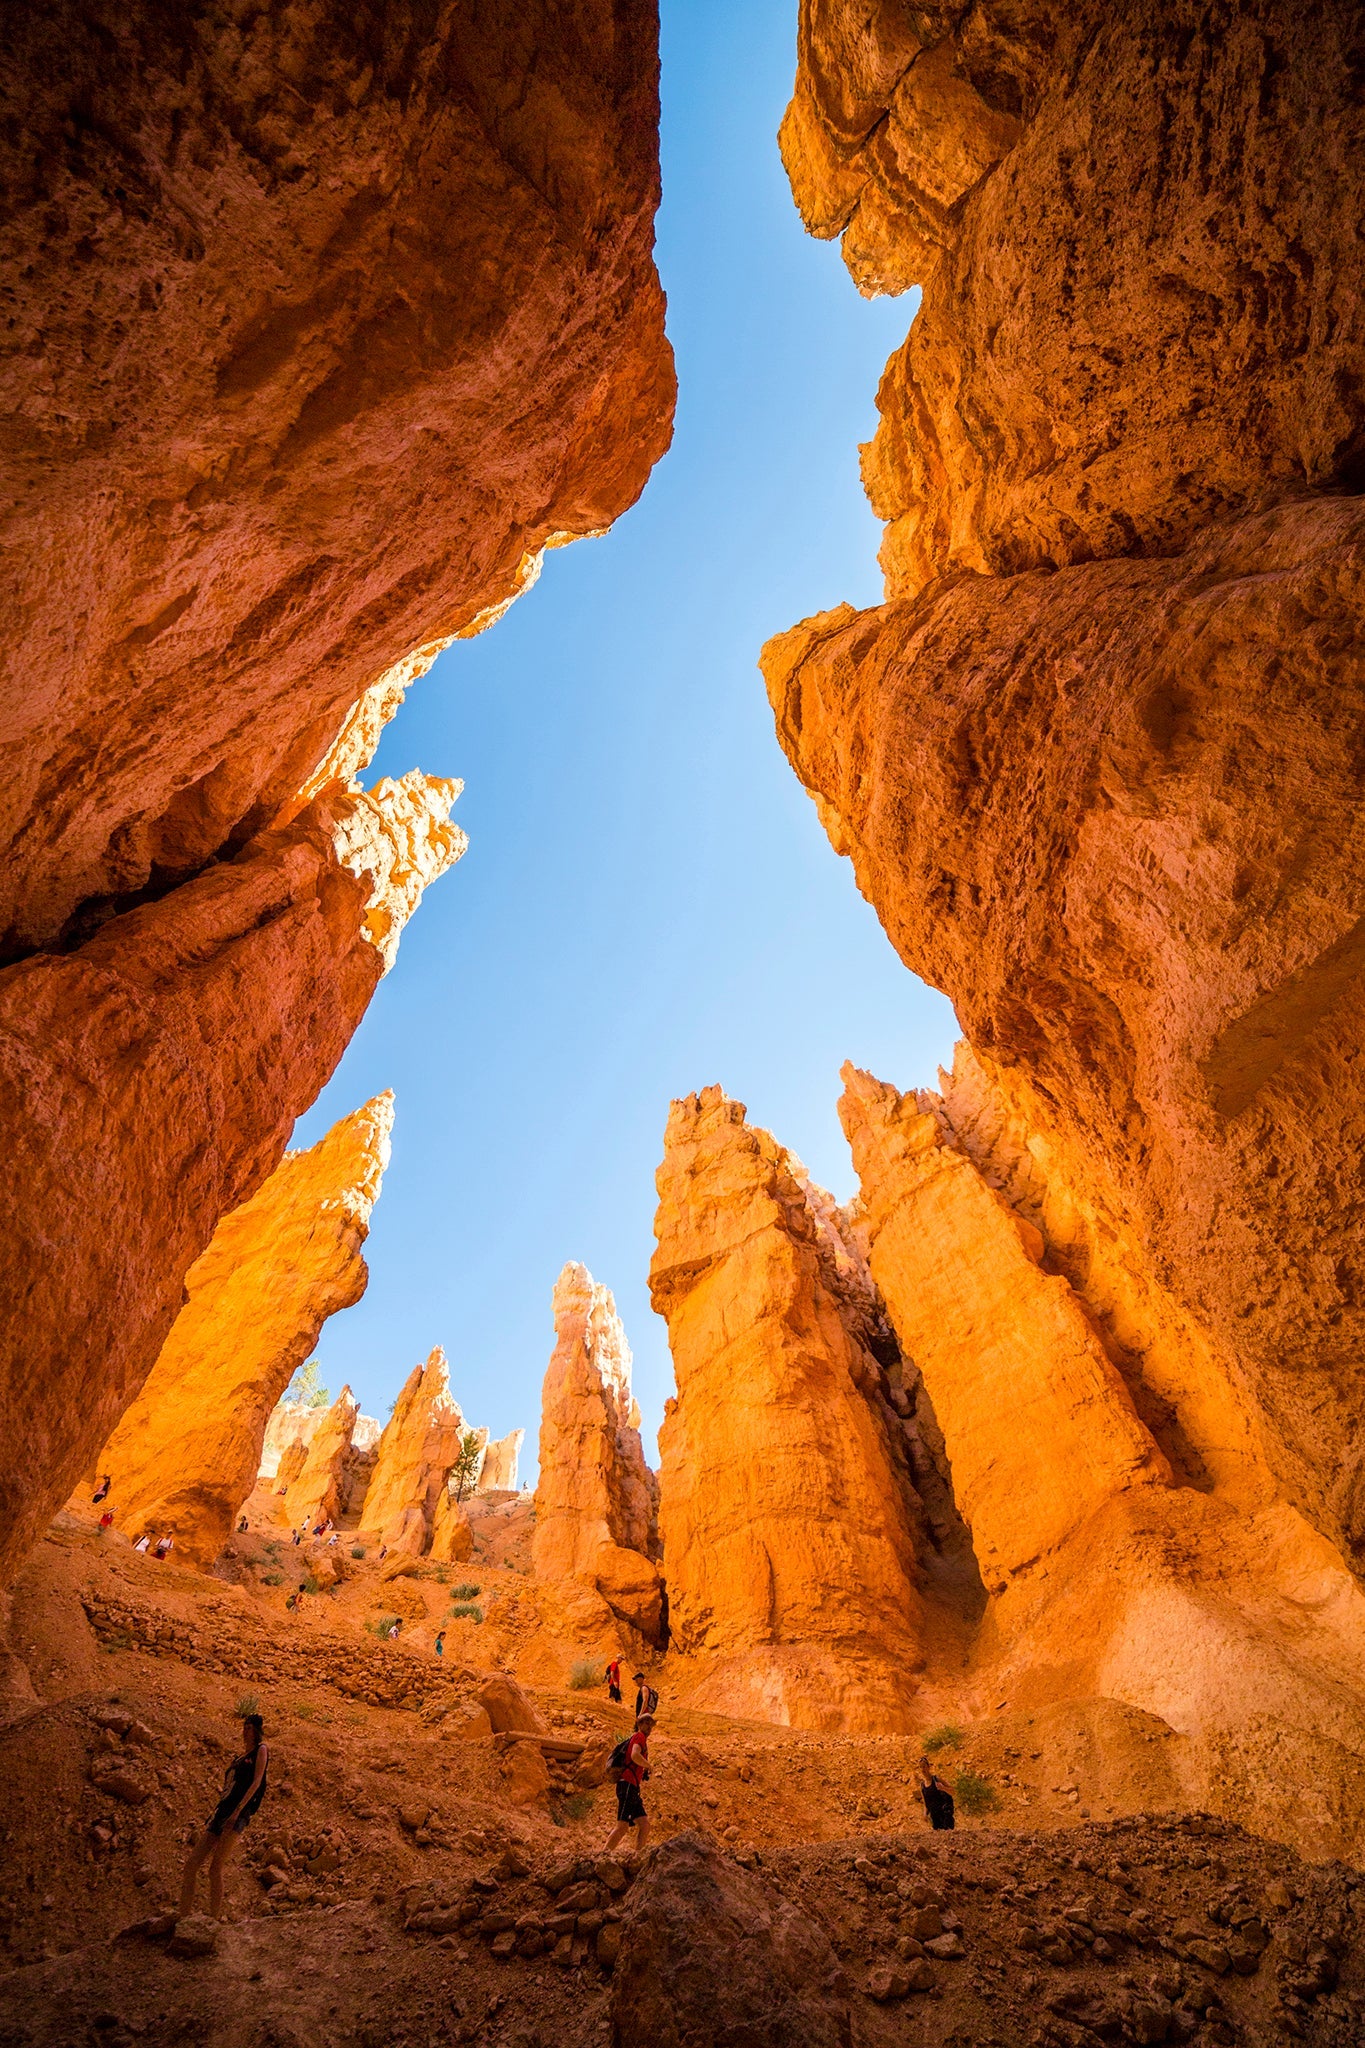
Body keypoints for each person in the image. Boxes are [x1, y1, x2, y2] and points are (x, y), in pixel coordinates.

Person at [178, 1711, 269, 1922]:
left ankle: (213, 1920)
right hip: (222, 1811)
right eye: (244, 1727)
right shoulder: (238, 1759)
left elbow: (257, 1782)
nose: (245, 1731)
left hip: (238, 1813)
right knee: (192, 1863)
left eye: (249, 1728)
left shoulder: (261, 1750)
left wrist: (239, 1810)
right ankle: (183, 1916)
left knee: (215, 1866)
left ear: (256, 1730)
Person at [604, 1713, 653, 1857]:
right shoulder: (639, 1737)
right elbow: (634, 1755)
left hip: (632, 1788)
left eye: (651, 1724)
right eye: (646, 1724)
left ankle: (637, 1857)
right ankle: (602, 1856)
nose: (649, 1727)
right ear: (639, 1724)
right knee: (622, 1827)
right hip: (627, 1785)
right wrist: (648, 1765)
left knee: (644, 1825)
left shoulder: (638, 1738)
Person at [917, 1755, 955, 1831]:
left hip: (945, 1815)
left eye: (924, 1766)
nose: (922, 1769)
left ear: (928, 1767)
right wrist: (925, 1814)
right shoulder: (922, 1786)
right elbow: (926, 1804)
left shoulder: (936, 1779)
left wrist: (943, 1788)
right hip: (935, 1818)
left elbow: (953, 1791)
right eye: (920, 1767)